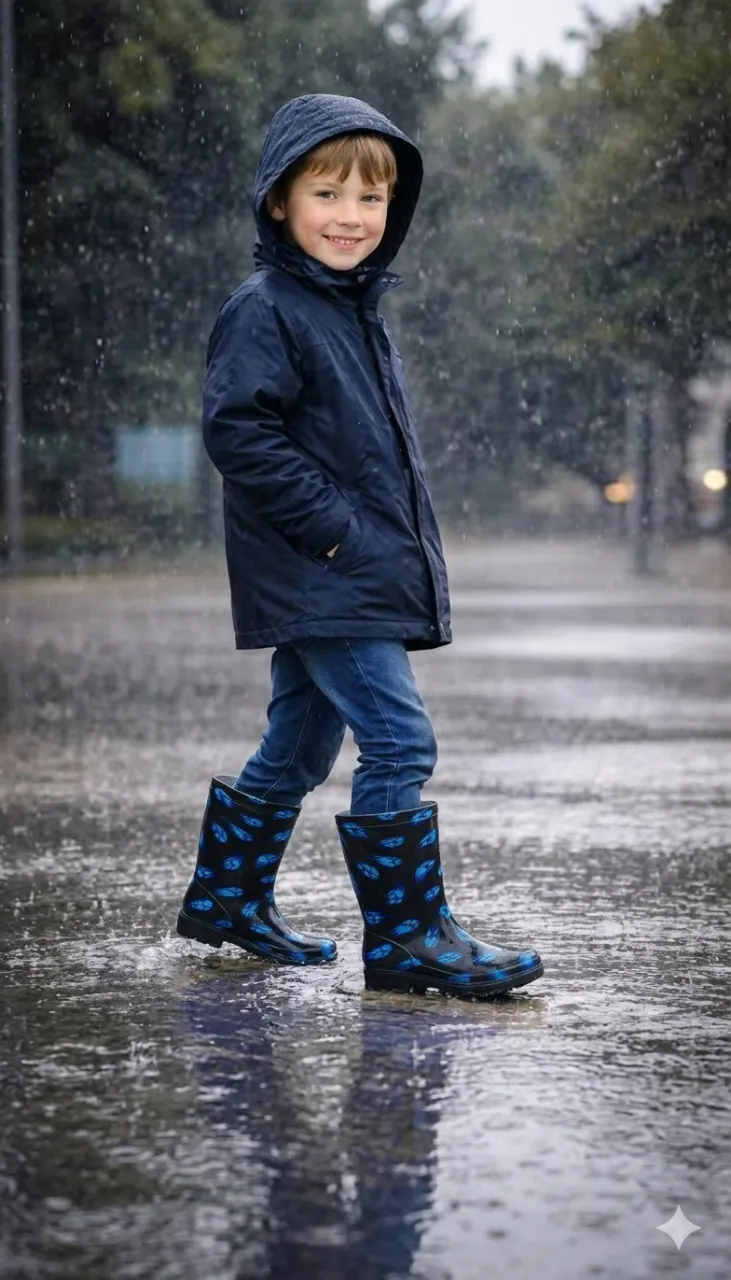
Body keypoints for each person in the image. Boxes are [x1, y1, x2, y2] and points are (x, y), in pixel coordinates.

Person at [176, 93, 543, 998]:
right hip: (324, 575)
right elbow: (239, 431)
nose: (350, 217)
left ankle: (227, 901)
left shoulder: (350, 309)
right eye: (328, 194)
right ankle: (410, 938)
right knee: (398, 740)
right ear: (278, 201)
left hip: (341, 574)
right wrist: (336, 534)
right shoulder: (267, 306)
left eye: (370, 200)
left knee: (301, 746)